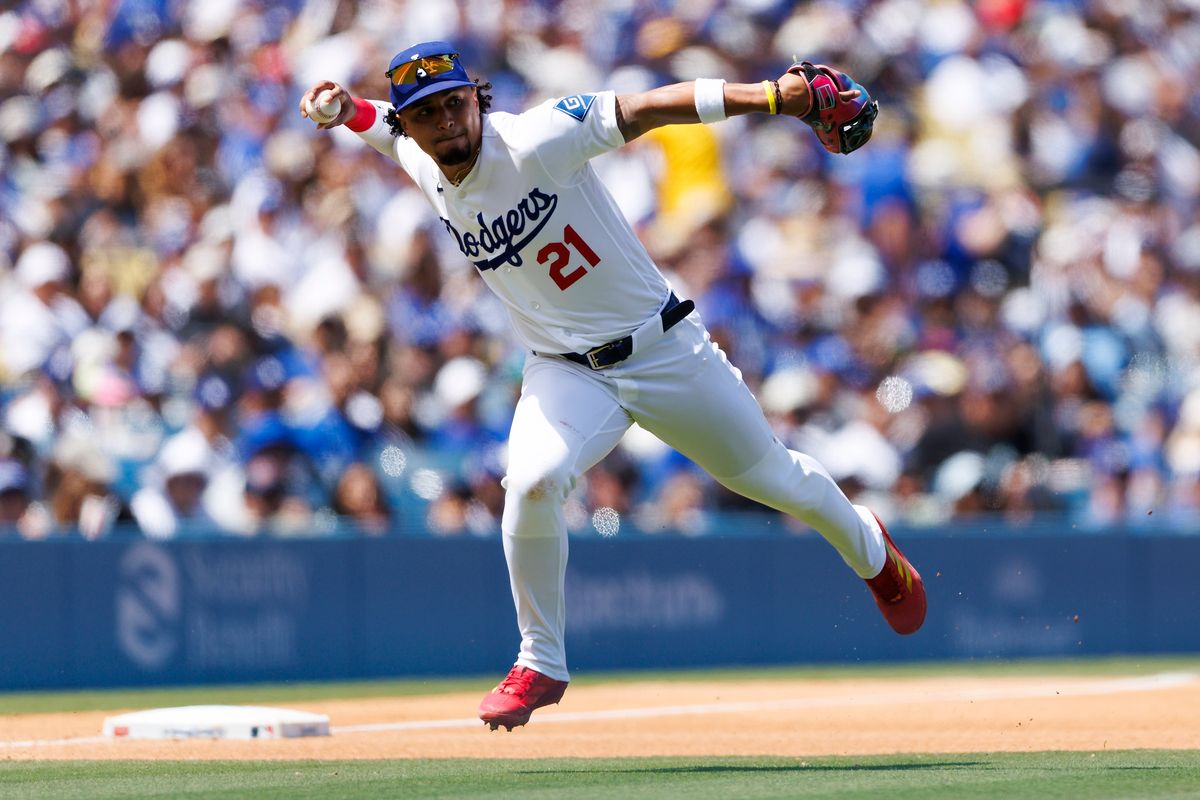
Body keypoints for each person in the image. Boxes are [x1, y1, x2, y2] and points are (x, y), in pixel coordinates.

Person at [300, 42, 922, 732]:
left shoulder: (536, 138)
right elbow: (378, 120)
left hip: (662, 350)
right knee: (531, 482)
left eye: (455, 102)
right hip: (563, 368)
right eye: (428, 114)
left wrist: (772, 97)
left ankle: (873, 553)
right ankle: (541, 661)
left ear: (478, 99)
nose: (445, 121)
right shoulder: (417, 152)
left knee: (774, 478)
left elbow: (649, 108)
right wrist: (343, 108)